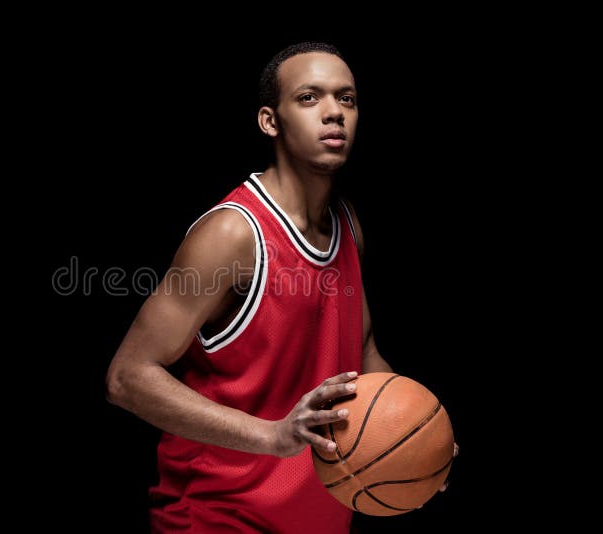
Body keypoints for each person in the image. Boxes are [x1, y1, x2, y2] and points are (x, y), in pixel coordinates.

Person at [106, 42, 448, 533]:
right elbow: (128, 376)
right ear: (271, 121)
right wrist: (273, 435)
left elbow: (363, 348)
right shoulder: (232, 234)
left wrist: (418, 437)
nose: (333, 112)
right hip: (217, 518)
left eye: (346, 99)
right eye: (310, 98)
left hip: (316, 519)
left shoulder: (348, 225)